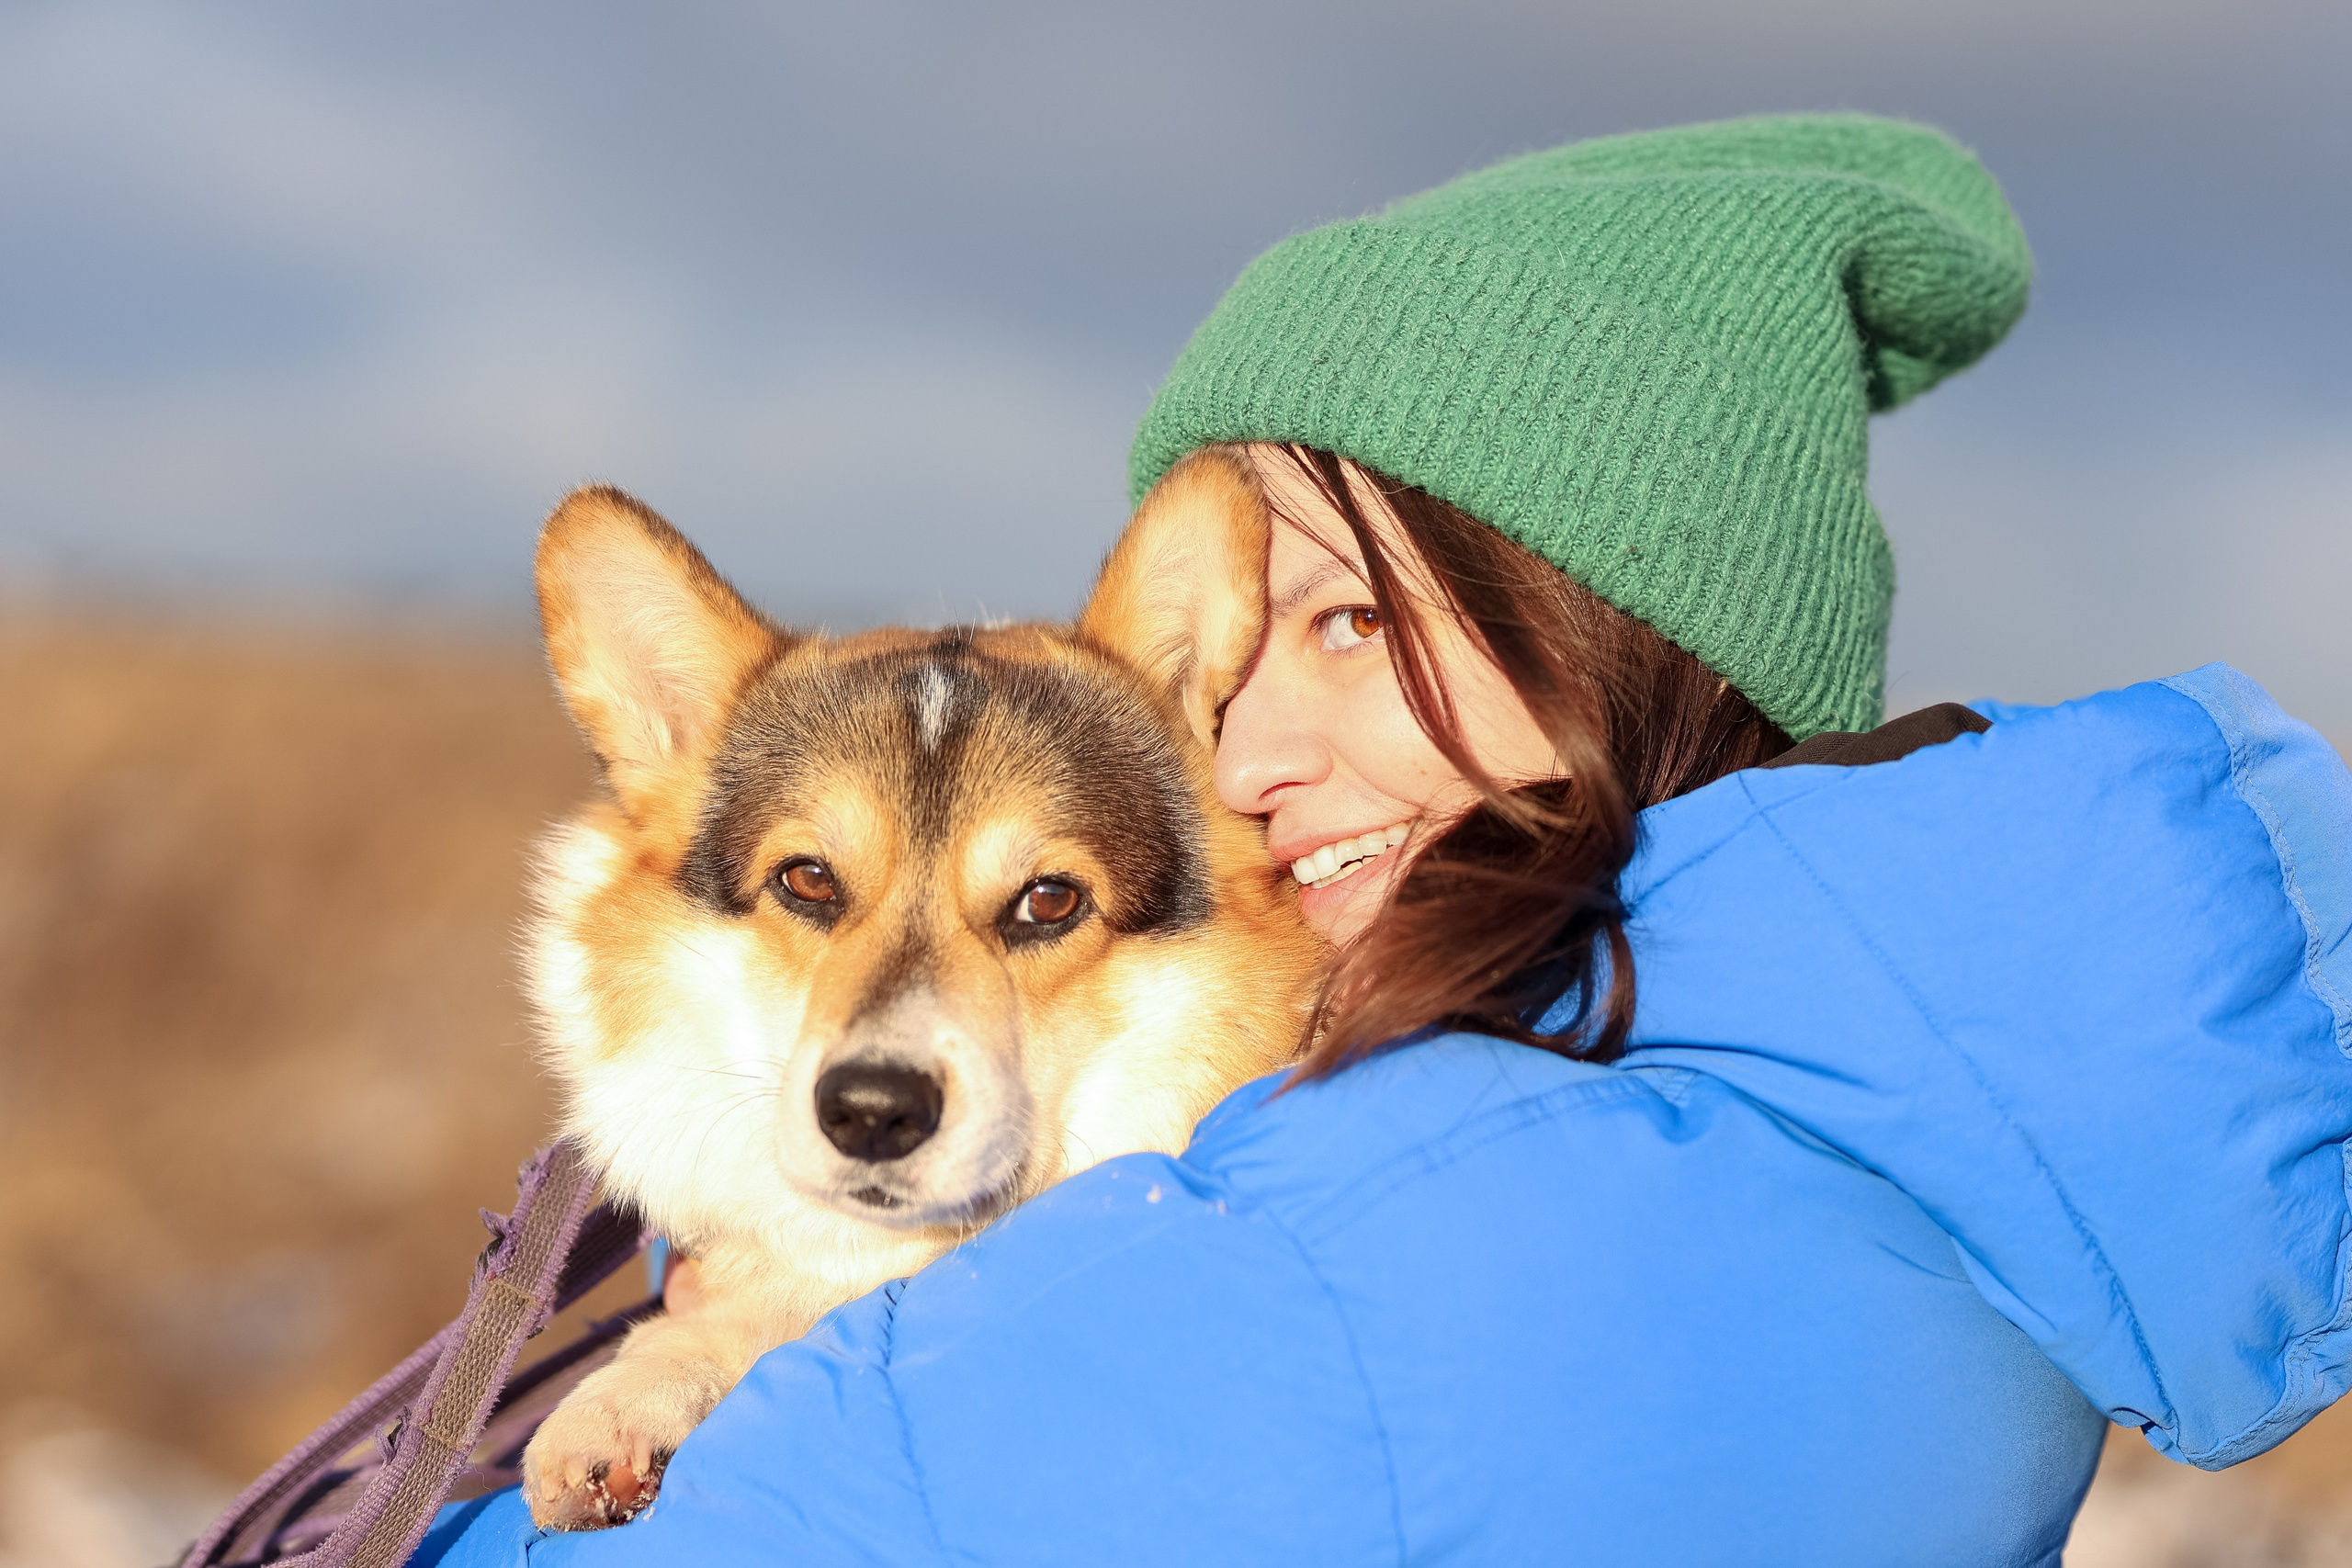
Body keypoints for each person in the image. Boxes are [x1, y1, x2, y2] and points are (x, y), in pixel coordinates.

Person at [424, 114, 2352, 1565]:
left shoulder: (1471, 1232)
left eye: (1348, 623)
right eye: (1240, 648)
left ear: (1618, 636)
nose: (1238, 754)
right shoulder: (1805, 1126)